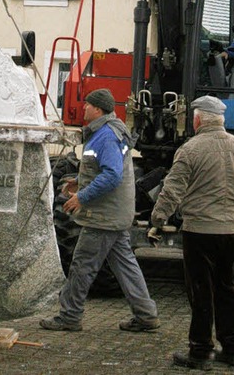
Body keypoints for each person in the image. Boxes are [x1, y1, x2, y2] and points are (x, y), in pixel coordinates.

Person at [150, 95, 234, 369]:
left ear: (198, 119)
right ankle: (233, 348)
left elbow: (173, 188)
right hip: (230, 232)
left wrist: (157, 218)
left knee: (201, 290)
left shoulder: (190, 150)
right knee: (227, 287)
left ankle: (200, 352)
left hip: (200, 231)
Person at [40, 88, 159, 333]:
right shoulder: (112, 131)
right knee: (126, 266)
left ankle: (70, 316)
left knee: (82, 266)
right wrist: (79, 182)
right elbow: (104, 169)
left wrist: (82, 197)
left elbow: (112, 175)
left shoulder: (105, 136)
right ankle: (146, 315)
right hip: (116, 213)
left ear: (98, 109)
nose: (83, 108)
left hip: (102, 217)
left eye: (87, 105)